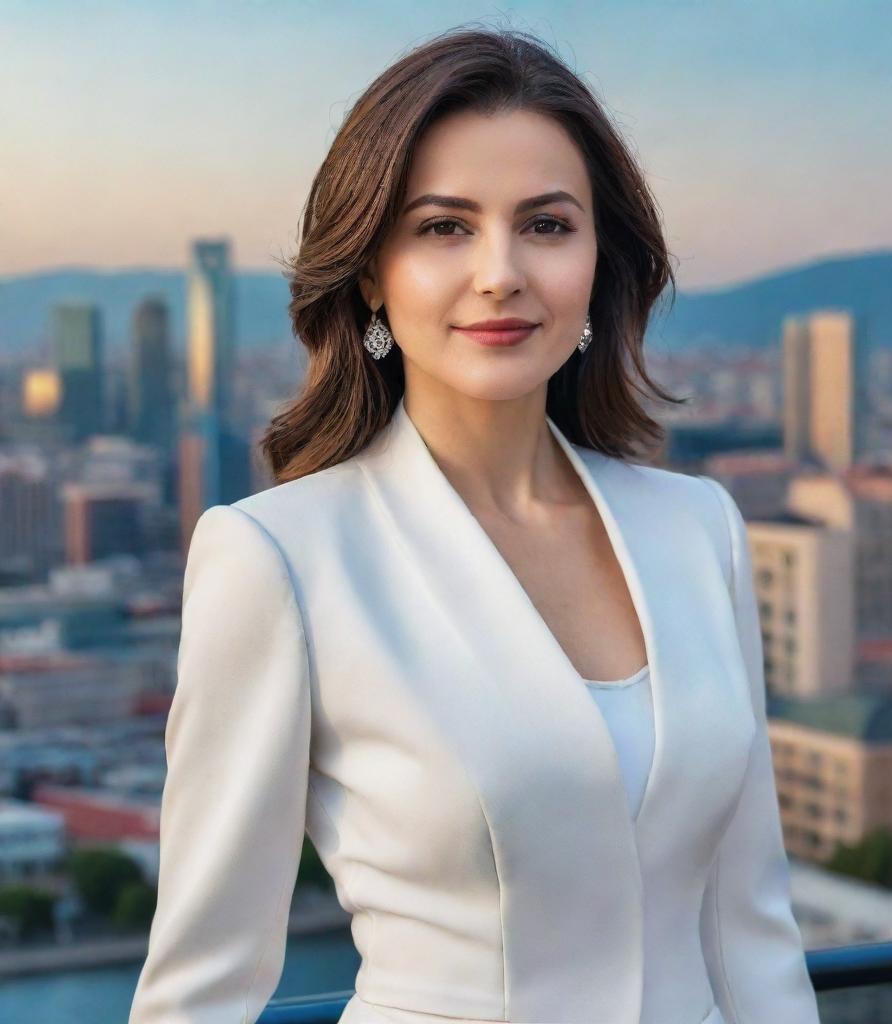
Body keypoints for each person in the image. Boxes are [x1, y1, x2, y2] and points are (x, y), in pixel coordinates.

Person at [128, 25, 821, 1024]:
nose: (500, 273)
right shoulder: (279, 559)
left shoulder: (697, 528)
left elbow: (751, 931)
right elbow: (202, 988)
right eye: (443, 227)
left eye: (545, 225)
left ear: (596, 260)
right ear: (370, 272)